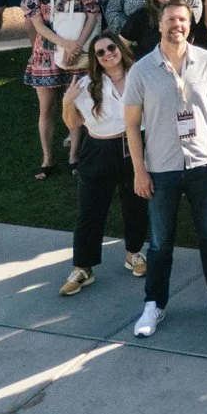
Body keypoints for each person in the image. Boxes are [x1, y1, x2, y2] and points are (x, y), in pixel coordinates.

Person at [122, 1, 207, 338]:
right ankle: (154, 305)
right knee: (160, 243)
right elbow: (131, 125)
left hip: (204, 164)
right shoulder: (142, 70)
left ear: (190, 25)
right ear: (159, 24)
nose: (177, 24)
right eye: (170, 19)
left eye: (183, 19)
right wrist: (139, 170)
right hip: (161, 168)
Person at [60, 35, 147, 295]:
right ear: (96, 59)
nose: (108, 53)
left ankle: (134, 253)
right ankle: (83, 268)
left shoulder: (139, 75)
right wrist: (66, 101)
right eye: (100, 52)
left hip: (135, 146)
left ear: (120, 49)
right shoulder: (87, 84)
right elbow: (73, 123)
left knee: (136, 203)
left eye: (111, 47)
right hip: (99, 149)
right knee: (90, 210)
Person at [22, 0, 100, 181]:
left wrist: (76, 45)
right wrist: (65, 44)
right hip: (46, 51)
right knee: (47, 108)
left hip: (77, 49)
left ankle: (74, 156)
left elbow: (92, 15)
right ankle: (47, 159)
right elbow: (37, 24)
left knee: (74, 104)